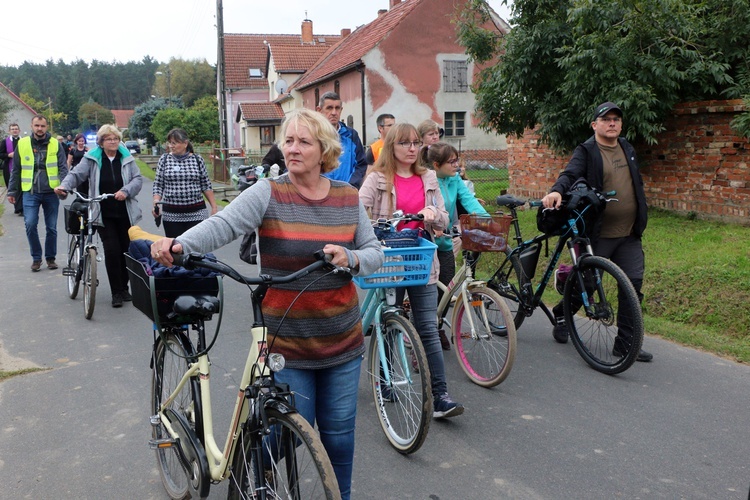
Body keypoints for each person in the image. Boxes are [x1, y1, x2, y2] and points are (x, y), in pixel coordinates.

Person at [150, 108, 384, 500]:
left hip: (341, 341)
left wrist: (352, 258)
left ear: (324, 149)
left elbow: (375, 251)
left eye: (303, 142)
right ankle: (251, 485)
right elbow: (223, 225)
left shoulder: (347, 198)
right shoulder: (269, 192)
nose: (292, 149)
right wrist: (180, 244)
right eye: (287, 140)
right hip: (286, 345)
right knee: (284, 436)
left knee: (340, 439)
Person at [359, 122, 465, 419]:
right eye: (404, 143)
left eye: (416, 143)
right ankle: (384, 380)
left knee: (428, 328)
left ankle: (440, 396)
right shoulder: (378, 178)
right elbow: (356, 209)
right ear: (391, 146)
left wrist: (434, 214)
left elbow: (443, 218)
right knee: (389, 320)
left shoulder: (429, 177)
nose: (411, 148)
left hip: (420, 259)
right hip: (389, 259)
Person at [541, 101, 653, 362]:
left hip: (629, 233)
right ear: (595, 125)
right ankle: (562, 313)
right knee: (588, 283)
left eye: (616, 119)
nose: (612, 123)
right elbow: (569, 174)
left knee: (632, 286)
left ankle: (625, 344)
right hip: (597, 233)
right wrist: (557, 190)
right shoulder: (587, 150)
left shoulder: (627, 147)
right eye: (606, 119)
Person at [54, 124, 143, 307]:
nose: (113, 142)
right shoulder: (92, 158)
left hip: (125, 211)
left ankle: (125, 287)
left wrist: (126, 191)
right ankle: (116, 292)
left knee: (127, 251)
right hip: (103, 212)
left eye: (116, 139)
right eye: (109, 139)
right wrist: (64, 186)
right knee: (112, 251)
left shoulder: (126, 157)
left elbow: (138, 179)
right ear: (101, 142)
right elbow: (76, 175)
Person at [426, 142, 489, 350]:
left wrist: (488, 221)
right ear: (436, 164)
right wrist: (432, 224)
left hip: (444, 241)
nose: (457, 165)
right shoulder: (428, 179)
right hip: (427, 242)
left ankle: (437, 327)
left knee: (446, 288)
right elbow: (425, 206)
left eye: (457, 160)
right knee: (426, 293)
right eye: (452, 162)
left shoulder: (455, 180)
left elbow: (470, 201)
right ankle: (423, 335)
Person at [7, 115, 68, 271]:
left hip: (51, 192)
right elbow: (16, 169)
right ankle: (36, 258)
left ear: (46, 127)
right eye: (37, 125)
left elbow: (62, 167)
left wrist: (64, 186)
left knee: (52, 227)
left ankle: (50, 258)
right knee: (30, 224)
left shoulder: (55, 144)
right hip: (30, 191)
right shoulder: (22, 144)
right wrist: (12, 191)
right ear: (31, 126)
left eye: (42, 126)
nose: (39, 129)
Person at [152, 128, 218, 238]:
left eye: (175, 143)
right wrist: (156, 201)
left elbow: (206, 185)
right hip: (171, 214)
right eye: (170, 143)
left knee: (197, 249)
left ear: (185, 143)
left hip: (197, 212)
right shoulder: (164, 159)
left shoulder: (197, 159)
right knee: (175, 249)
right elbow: (158, 184)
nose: (171, 146)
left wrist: (214, 207)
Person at [316, 91, 367, 189]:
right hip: (319, 194)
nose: (334, 113)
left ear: (341, 110)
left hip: (346, 194)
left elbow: (361, 165)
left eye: (337, 108)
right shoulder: (312, 136)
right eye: (329, 108)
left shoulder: (351, 135)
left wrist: (351, 186)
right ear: (319, 110)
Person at [0, 123, 23, 214]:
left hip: (23, 168)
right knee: (14, 187)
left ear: (19, 130)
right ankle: (17, 206)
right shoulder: (5, 142)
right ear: (9, 131)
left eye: (16, 129)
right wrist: (8, 155)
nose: (14, 130)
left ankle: (20, 208)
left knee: (21, 187)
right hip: (9, 168)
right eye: (13, 129)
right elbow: (0, 154)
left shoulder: (25, 141)